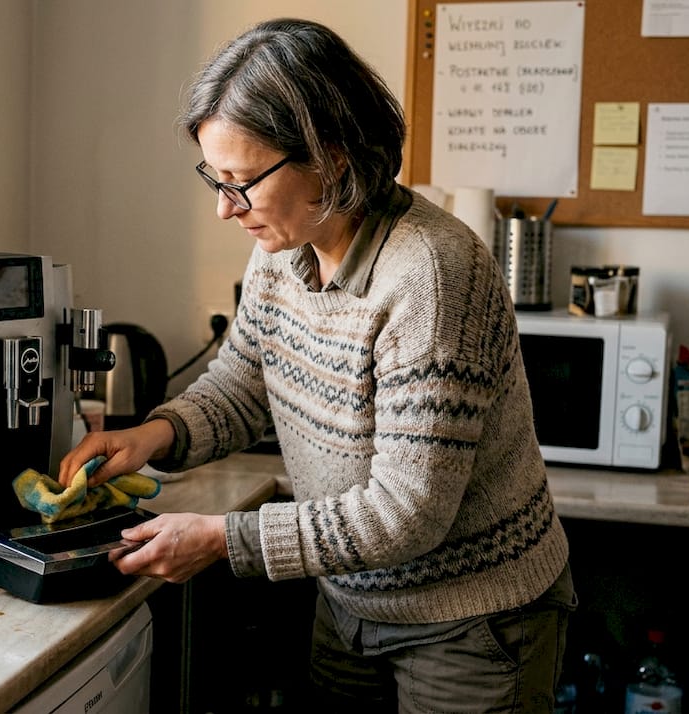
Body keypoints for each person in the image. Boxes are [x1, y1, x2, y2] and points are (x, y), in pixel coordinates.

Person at [58, 17, 576, 712]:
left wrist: (224, 540)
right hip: (349, 599)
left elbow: (407, 512)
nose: (223, 208)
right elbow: (244, 382)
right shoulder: (282, 248)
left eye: (242, 181)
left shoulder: (429, 274)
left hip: (471, 618)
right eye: (215, 178)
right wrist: (152, 435)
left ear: (331, 159)